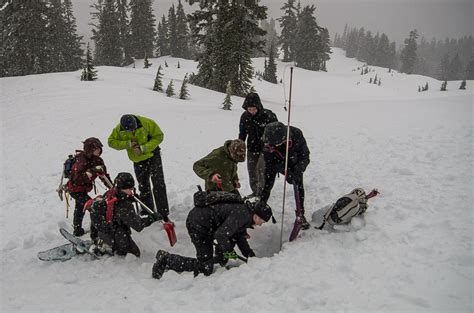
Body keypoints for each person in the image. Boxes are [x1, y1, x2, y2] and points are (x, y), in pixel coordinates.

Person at [151, 199, 273, 279]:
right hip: (198, 225)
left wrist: (250, 256)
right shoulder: (242, 215)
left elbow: (239, 236)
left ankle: (220, 259)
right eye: (261, 221)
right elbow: (220, 235)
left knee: (228, 242)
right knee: (205, 268)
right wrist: (229, 251)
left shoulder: (246, 213)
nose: (260, 224)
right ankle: (166, 259)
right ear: (256, 216)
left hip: (208, 224)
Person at [108, 114, 170, 222]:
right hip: (138, 160)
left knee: (158, 183)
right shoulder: (119, 129)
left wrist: (143, 148)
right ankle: (148, 210)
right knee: (143, 184)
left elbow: (159, 136)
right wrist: (128, 144)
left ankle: (163, 212)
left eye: (134, 129)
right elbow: (111, 142)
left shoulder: (147, 123)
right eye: (130, 131)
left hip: (153, 155)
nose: (132, 132)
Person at [89, 172, 159, 257]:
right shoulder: (123, 206)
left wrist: (129, 198)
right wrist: (151, 218)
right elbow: (138, 225)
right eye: (130, 188)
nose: (132, 190)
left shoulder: (112, 192)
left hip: (101, 226)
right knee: (135, 253)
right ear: (124, 188)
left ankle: (101, 238)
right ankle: (106, 245)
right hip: (110, 231)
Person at [259, 121, 311, 229]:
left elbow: (305, 156)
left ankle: (300, 214)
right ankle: (259, 209)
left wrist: (297, 170)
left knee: (298, 185)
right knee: (267, 185)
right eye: (273, 144)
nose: (276, 145)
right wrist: (283, 169)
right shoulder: (266, 140)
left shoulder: (296, 134)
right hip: (275, 162)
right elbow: (269, 162)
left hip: (294, 162)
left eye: (278, 143)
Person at [65, 137, 111, 237]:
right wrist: (91, 172)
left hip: (84, 190)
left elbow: (104, 176)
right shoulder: (81, 160)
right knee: (94, 207)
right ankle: (96, 233)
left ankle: (77, 229)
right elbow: (78, 179)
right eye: (97, 149)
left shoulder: (98, 160)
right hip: (75, 189)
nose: (99, 150)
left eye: (99, 148)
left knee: (80, 207)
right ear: (90, 149)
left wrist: (112, 188)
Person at [238, 93, 278, 196]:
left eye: (254, 109)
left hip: (266, 149)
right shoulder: (244, 117)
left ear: (259, 106)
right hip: (252, 148)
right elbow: (242, 133)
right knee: (252, 172)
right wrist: (240, 145)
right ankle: (256, 192)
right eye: (249, 109)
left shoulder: (269, 116)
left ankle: (263, 193)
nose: (251, 111)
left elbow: (277, 132)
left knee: (262, 171)